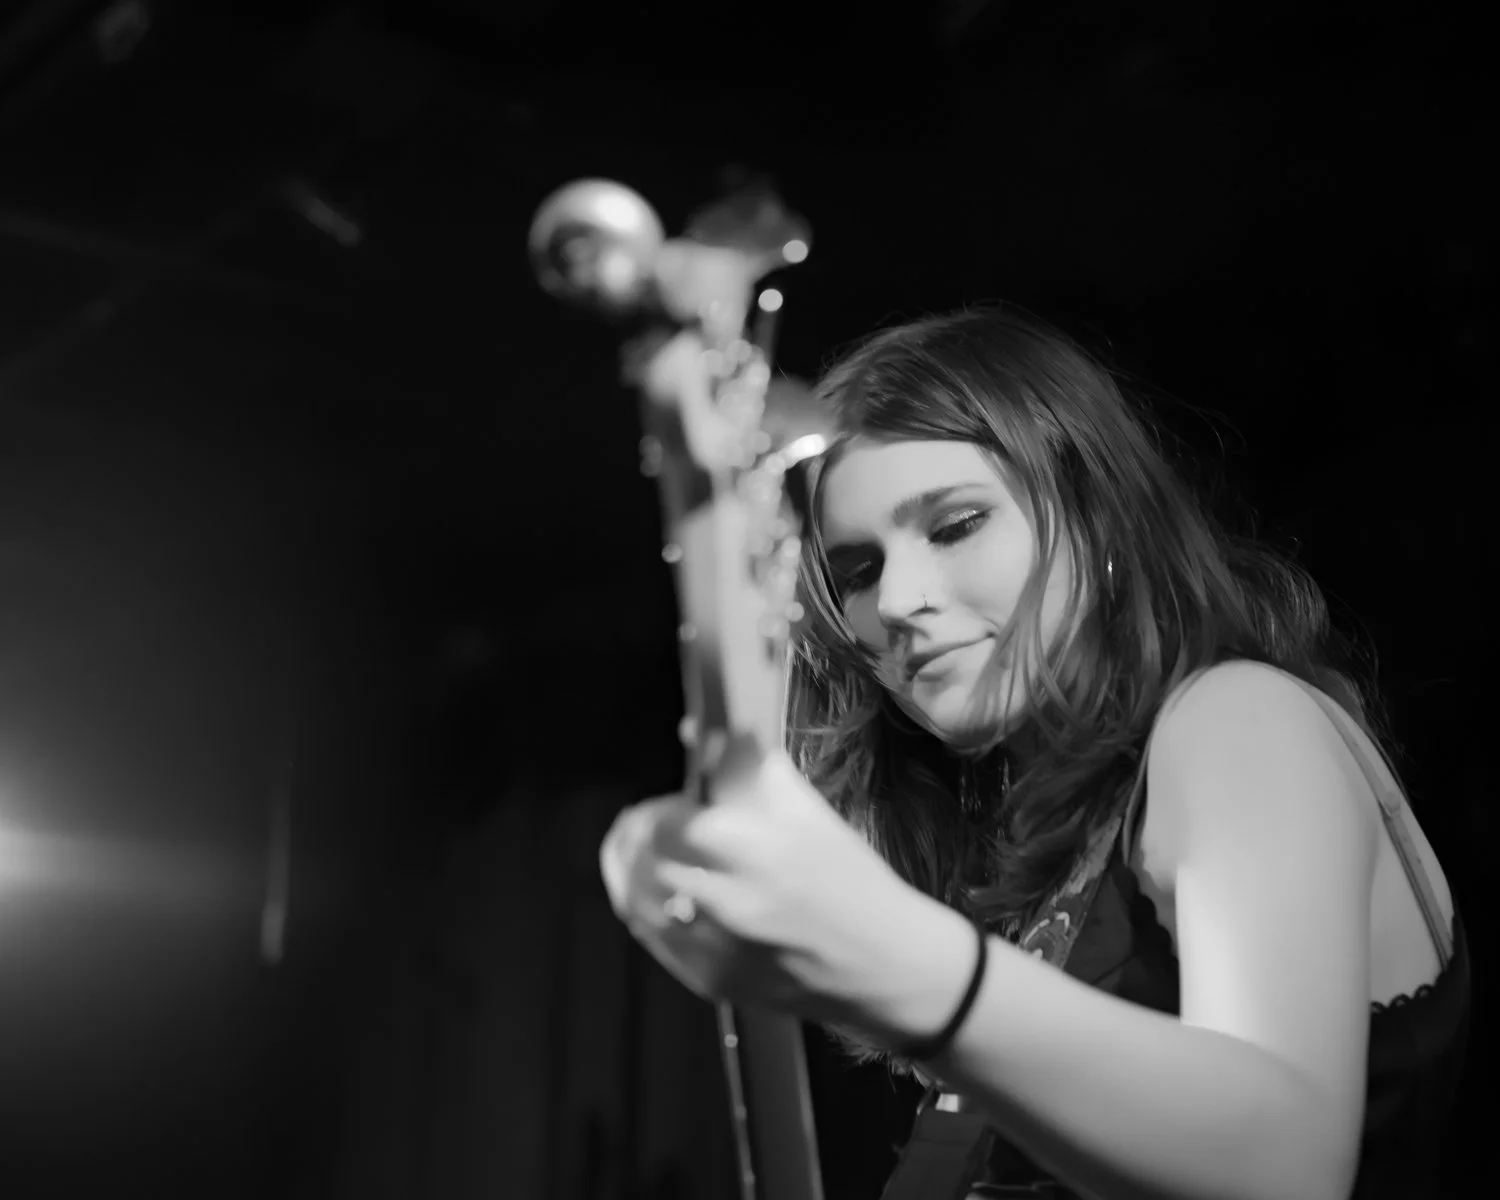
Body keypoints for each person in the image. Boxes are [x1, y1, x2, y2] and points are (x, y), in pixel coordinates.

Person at [599, 306, 1469, 1200]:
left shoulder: (1236, 716)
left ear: (1096, 515)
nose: (897, 600)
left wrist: (893, 961)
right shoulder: (1045, 846)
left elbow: (1284, 1170)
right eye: (857, 571)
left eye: (955, 526)